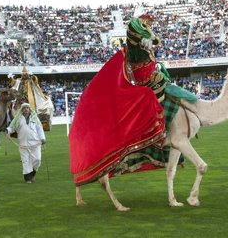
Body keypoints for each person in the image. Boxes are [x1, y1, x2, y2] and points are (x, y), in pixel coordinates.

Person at [68, 14, 175, 185]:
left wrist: (151, 36)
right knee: (148, 96)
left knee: (164, 74)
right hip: (147, 82)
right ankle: (156, 130)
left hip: (156, 75)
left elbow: (155, 40)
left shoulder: (145, 39)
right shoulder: (135, 41)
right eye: (145, 25)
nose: (148, 27)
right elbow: (142, 36)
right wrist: (147, 36)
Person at [6, 103, 46, 183]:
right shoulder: (18, 119)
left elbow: (39, 129)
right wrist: (7, 130)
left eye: (27, 108)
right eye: (24, 108)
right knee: (26, 161)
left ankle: (33, 173)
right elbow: (12, 127)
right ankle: (28, 178)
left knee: (37, 160)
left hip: (35, 144)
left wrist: (42, 138)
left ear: (29, 109)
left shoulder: (35, 118)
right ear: (22, 110)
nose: (26, 110)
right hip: (23, 145)